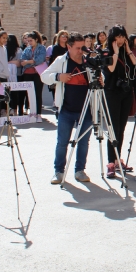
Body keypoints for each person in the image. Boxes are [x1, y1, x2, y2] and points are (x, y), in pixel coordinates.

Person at [41, 32, 94, 184]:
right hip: (66, 109)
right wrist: (58, 77)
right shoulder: (61, 60)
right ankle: (58, 172)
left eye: (82, 47)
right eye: (77, 48)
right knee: (62, 142)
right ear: (69, 47)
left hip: (86, 110)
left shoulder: (87, 60)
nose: (80, 51)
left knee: (83, 142)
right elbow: (44, 76)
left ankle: (80, 170)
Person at [101, 25, 136, 178]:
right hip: (112, 93)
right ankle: (111, 162)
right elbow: (110, 69)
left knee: (121, 128)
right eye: (118, 37)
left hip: (126, 92)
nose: (121, 39)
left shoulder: (126, 51)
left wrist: (129, 51)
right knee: (113, 129)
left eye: (123, 36)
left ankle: (117, 160)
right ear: (113, 38)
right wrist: (115, 53)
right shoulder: (106, 52)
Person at [20, 31, 46, 122]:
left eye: (31, 40)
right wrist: (30, 62)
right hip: (27, 74)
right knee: (29, 94)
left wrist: (28, 62)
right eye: (28, 41)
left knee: (37, 93)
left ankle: (38, 114)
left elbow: (40, 60)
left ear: (36, 40)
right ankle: (32, 112)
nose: (29, 42)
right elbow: (22, 61)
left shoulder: (42, 48)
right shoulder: (27, 49)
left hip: (37, 74)